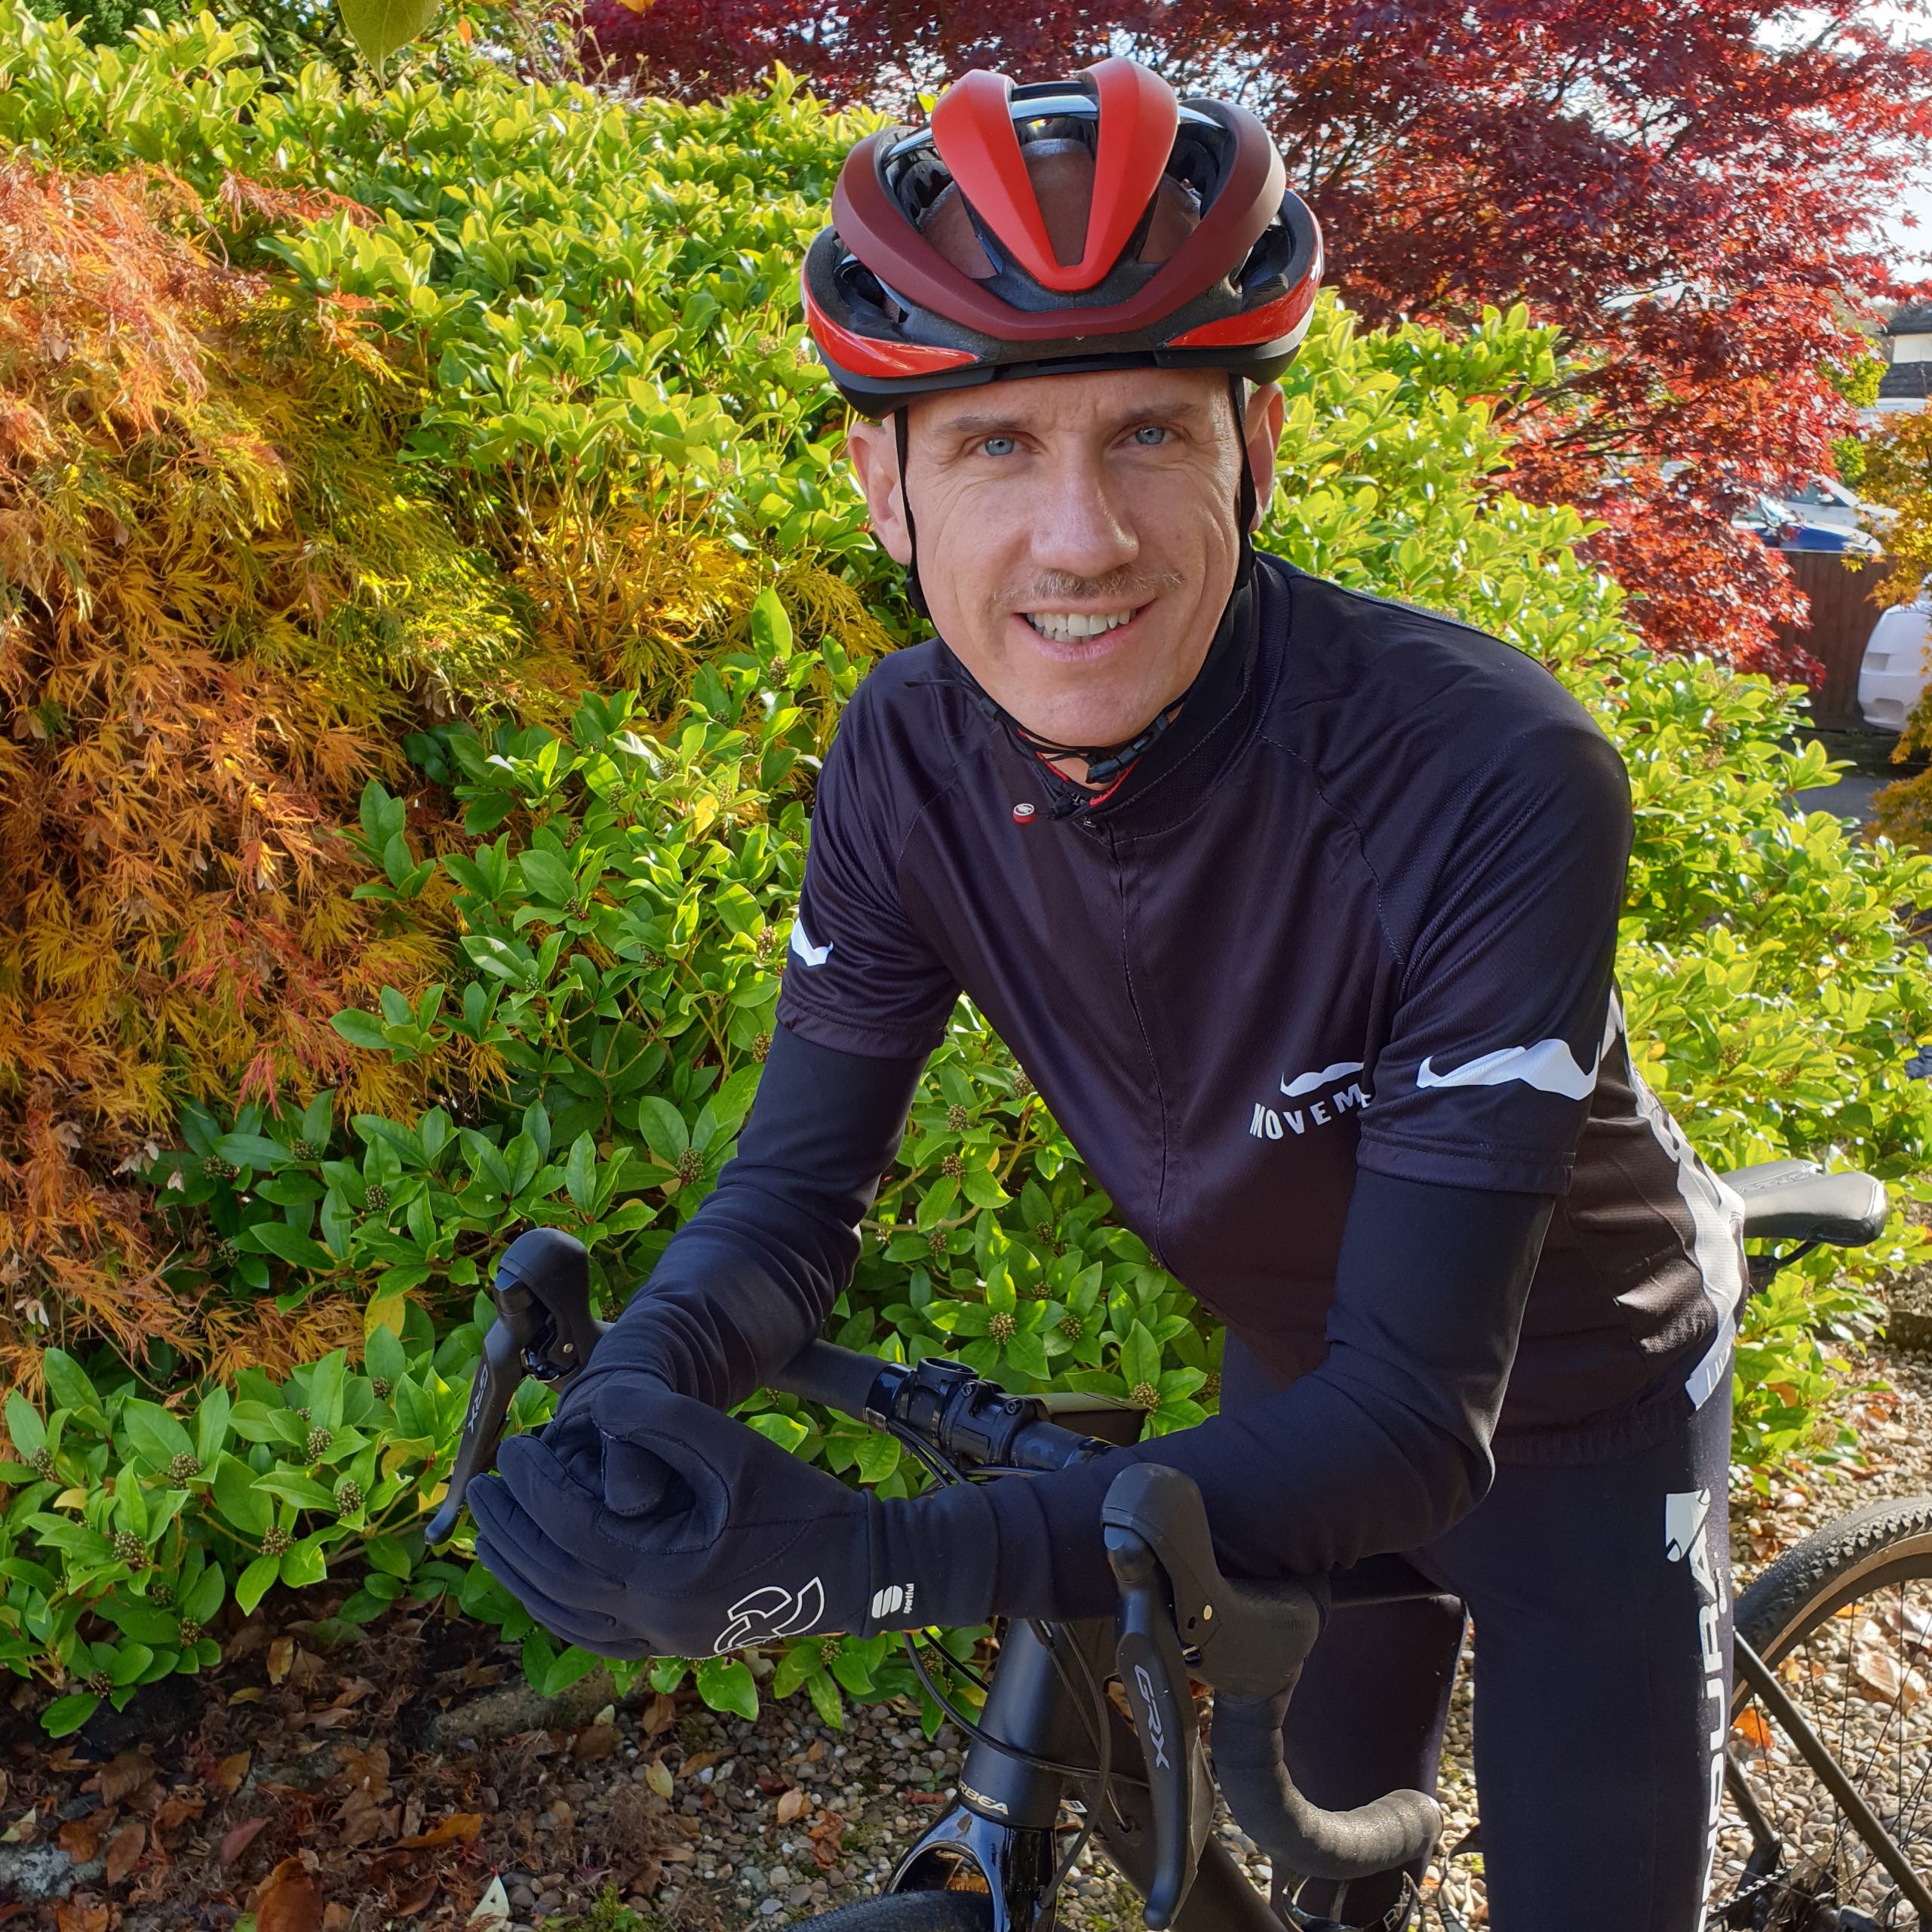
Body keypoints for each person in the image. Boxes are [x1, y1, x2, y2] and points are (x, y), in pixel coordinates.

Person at [466, 57, 1749, 1929]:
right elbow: (788, 1201)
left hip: (1581, 1402)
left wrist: (878, 1560)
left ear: (1259, 452)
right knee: (1307, 1867)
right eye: (995, 444)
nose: (1081, 539)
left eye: (1148, 431)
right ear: (880, 483)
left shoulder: (1485, 769)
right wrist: (643, 1390)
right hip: (1305, 1378)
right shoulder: (905, 757)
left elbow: (1418, 1417)